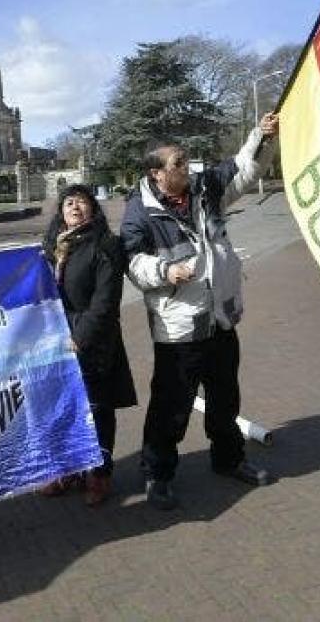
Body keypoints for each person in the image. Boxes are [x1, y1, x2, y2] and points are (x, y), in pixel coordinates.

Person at [120, 113, 280, 511]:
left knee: (225, 397)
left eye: (186, 158)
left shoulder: (204, 188)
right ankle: (158, 474)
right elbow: (132, 261)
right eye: (178, 162)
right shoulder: (140, 211)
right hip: (179, 327)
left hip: (220, 318)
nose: (187, 167)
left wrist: (263, 136)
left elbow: (243, 170)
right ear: (157, 173)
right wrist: (165, 271)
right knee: (171, 407)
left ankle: (229, 460)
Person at [40, 184, 138, 506]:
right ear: (61, 211)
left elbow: (105, 302)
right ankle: (69, 470)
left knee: (97, 410)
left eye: (81, 202)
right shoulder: (52, 248)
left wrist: (79, 338)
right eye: (69, 202)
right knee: (63, 408)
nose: (75, 207)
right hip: (58, 342)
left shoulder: (106, 245)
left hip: (94, 341)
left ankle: (99, 473)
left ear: (93, 208)